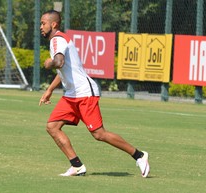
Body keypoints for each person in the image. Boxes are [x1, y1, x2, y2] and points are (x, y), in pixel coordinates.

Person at [39, 10, 150, 177]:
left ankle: (139, 155)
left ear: (53, 24)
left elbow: (59, 62)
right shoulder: (59, 39)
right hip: (71, 94)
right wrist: (49, 89)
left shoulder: (57, 40)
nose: (41, 27)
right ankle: (76, 166)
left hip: (84, 93)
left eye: (43, 23)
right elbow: (65, 70)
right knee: (52, 127)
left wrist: (49, 63)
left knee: (99, 134)